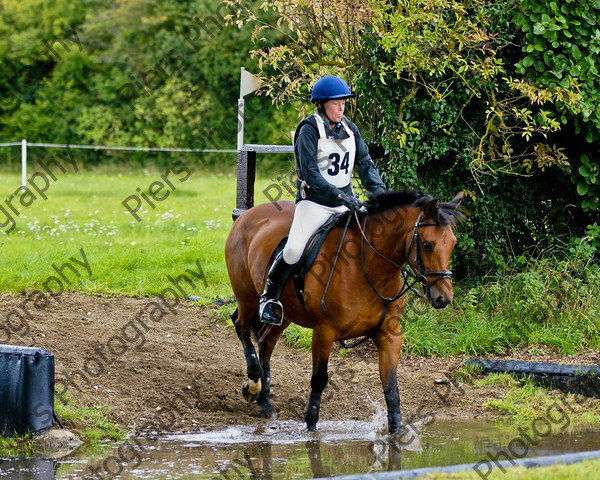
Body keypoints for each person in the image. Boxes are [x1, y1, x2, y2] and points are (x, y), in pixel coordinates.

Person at [259, 75, 387, 325]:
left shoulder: (350, 129)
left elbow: (364, 163)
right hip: (315, 203)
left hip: (345, 202)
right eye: (336, 103)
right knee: (295, 248)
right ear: (321, 105)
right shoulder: (308, 130)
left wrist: (380, 192)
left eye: (344, 103)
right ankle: (268, 297)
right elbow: (312, 175)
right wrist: (343, 197)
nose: (341, 108)